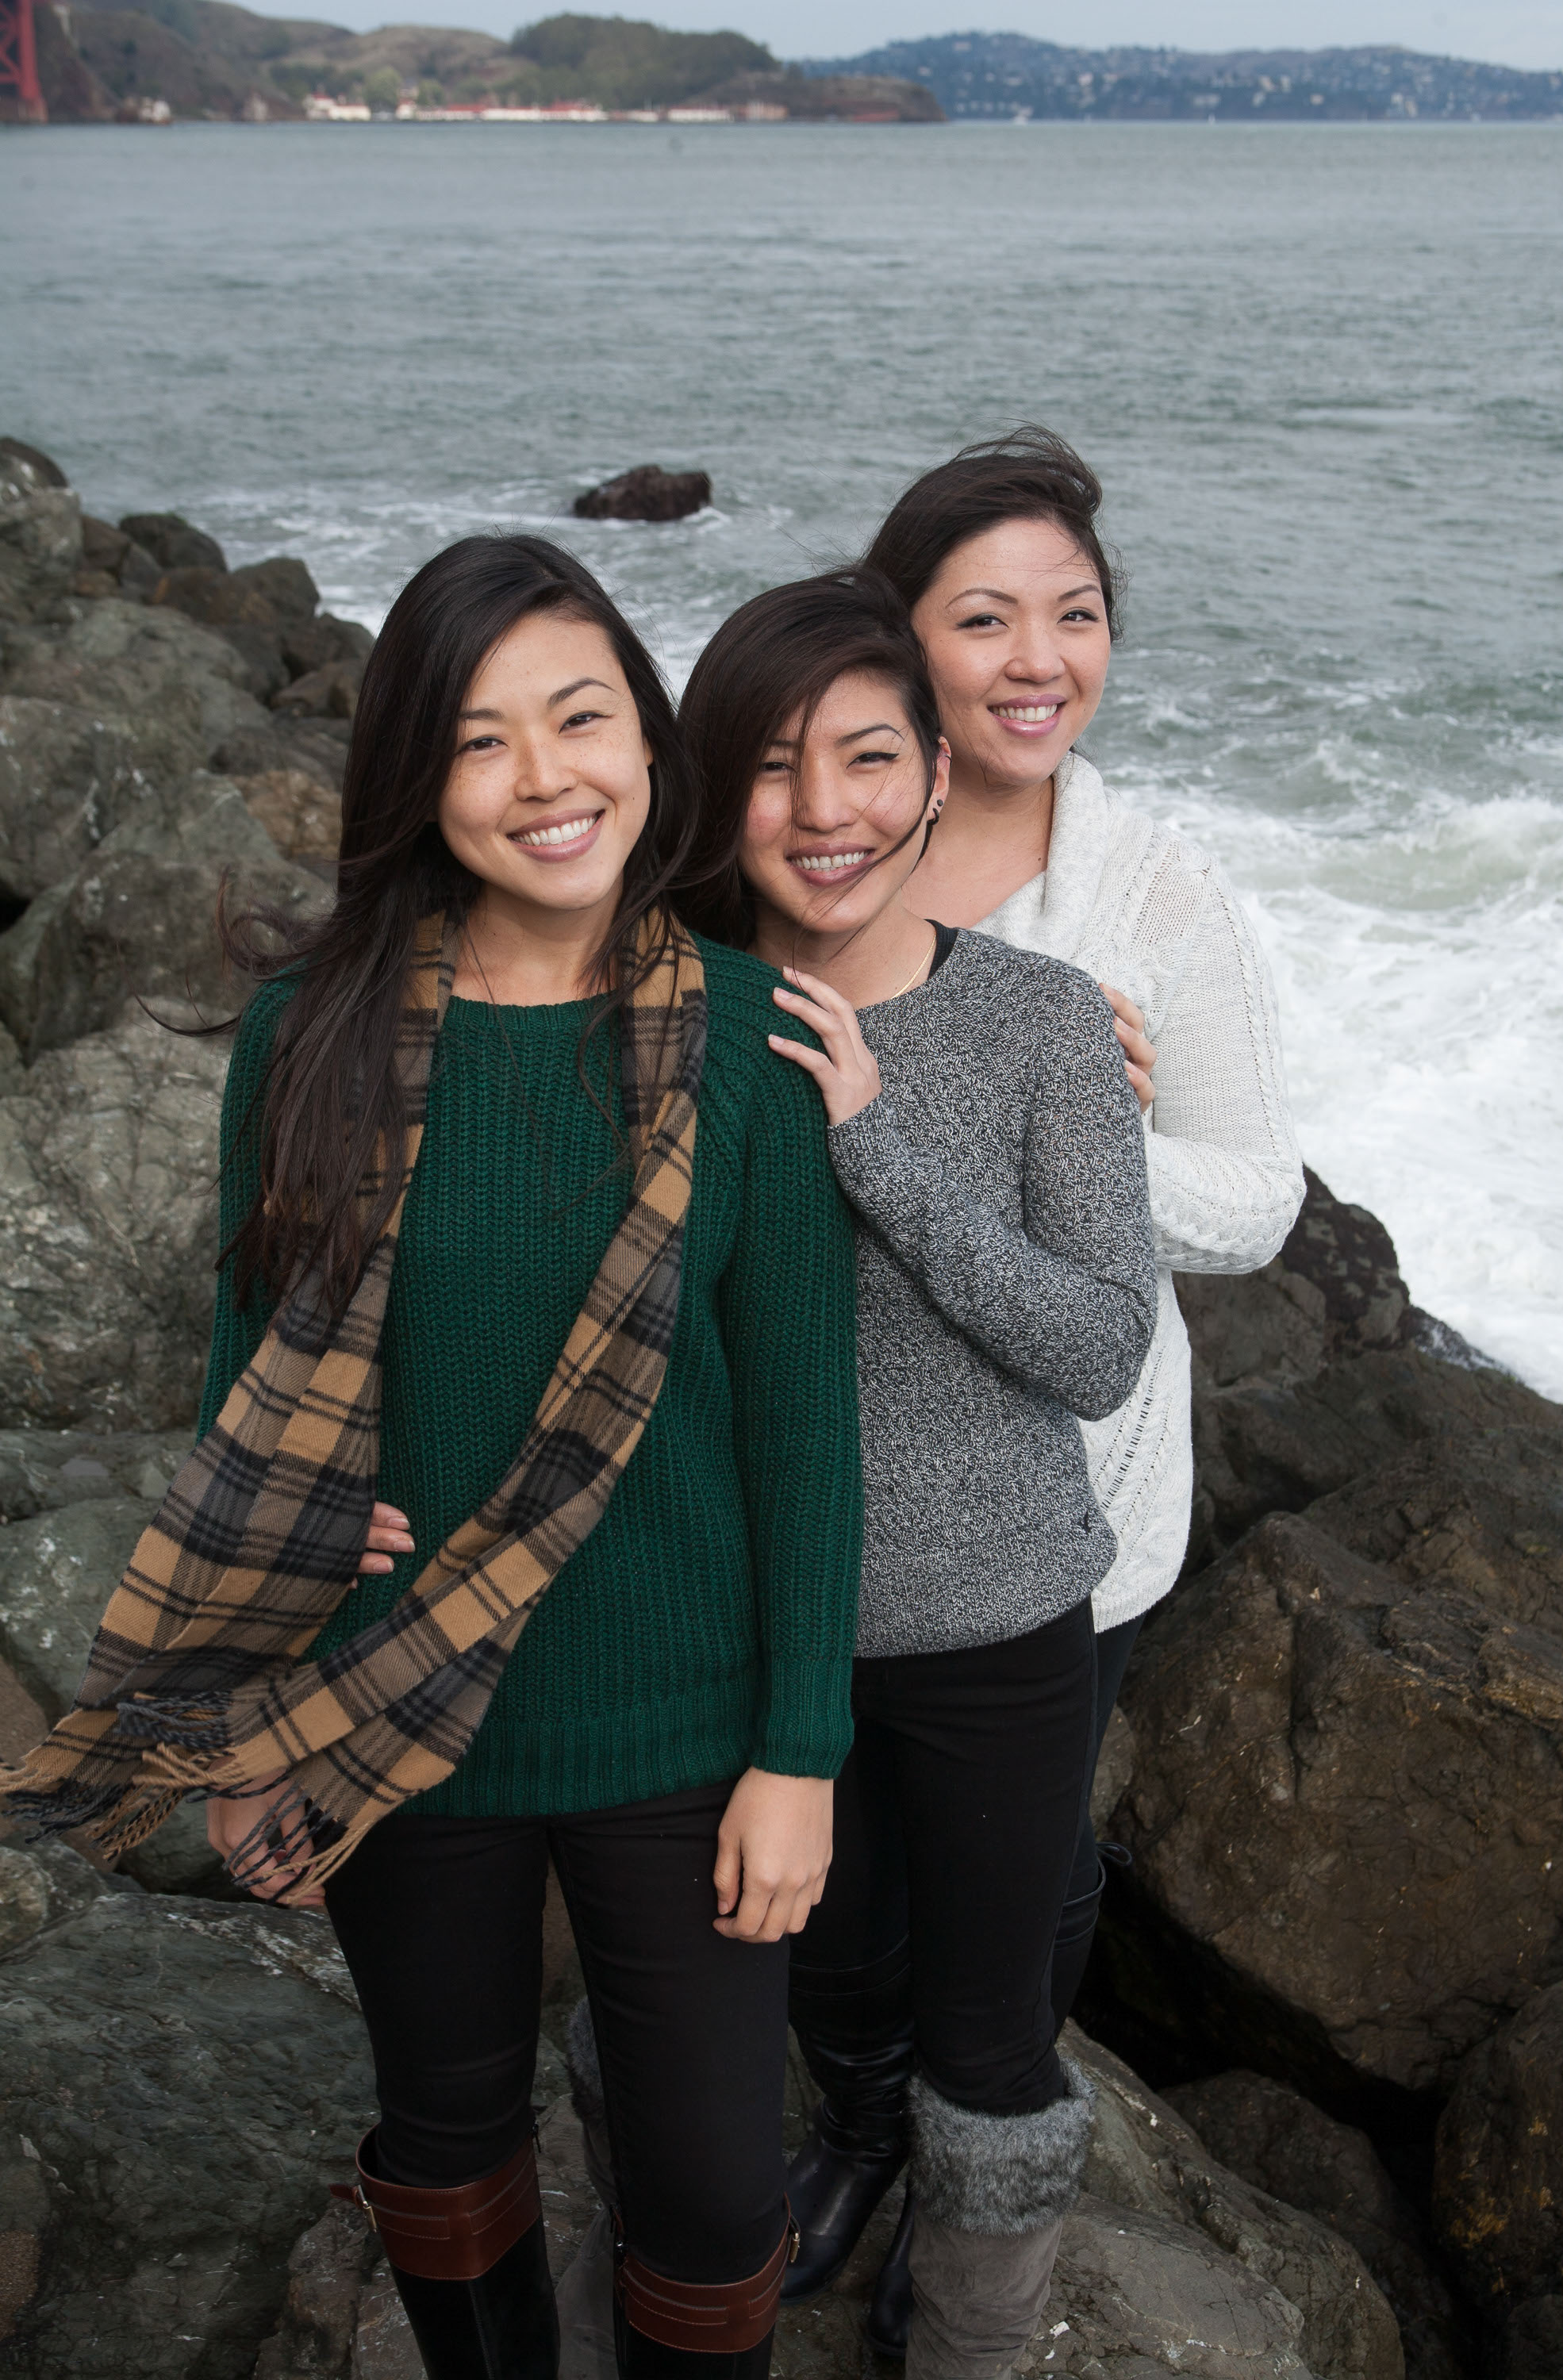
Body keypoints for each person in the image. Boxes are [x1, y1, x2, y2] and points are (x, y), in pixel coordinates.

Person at [0, 534, 865, 2380]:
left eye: (582, 717)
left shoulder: (741, 1039)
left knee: (715, 2199)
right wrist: (255, 1715)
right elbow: (255, 1408)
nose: (547, 778)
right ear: (417, 776)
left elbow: (804, 1431)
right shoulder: (300, 1038)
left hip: (680, 1722)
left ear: (649, 735)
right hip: (391, 1697)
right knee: (446, 2131)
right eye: (483, 741)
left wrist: (800, 1755)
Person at [797, 429, 1306, 2349]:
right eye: (983, 616)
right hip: (819, 1476)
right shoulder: (818, 832)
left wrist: (1074, 1131)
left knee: (1013, 1865)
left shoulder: (1155, 893)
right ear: (899, 638)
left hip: (1070, 1484)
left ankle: (974, 2139)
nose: (1037, 658)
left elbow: (1259, 1205)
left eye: (1074, 616)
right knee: (833, 1849)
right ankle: (853, 2113)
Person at [674, 568, 1158, 2380]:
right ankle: (860, 2133)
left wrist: (873, 1138)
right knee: (830, 1971)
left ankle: (975, 2321)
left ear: (938, 778)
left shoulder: (1040, 1022)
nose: (826, 811)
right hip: (751, 1626)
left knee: (990, 2021)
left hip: (996, 1617)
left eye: (869, 759)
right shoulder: (678, 1016)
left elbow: (1097, 1344)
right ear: (715, 791)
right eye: (777, 767)